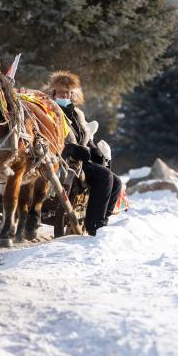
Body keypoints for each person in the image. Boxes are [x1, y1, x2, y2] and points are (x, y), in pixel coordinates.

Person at [46, 71, 123, 236]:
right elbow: (48, 140)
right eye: (61, 92)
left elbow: (84, 137)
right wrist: (70, 149)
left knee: (116, 181)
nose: (65, 95)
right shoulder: (48, 112)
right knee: (105, 177)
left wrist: (93, 149)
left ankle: (103, 219)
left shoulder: (76, 114)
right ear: (53, 93)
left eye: (67, 92)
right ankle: (95, 225)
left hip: (81, 159)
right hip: (62, 161)